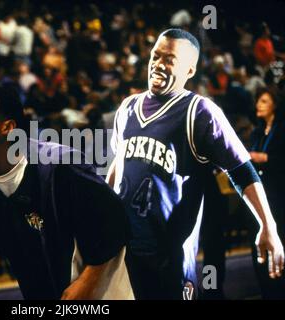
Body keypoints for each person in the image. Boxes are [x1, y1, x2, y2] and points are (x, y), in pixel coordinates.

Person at [106, 29, 284, 300]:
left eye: (170, 59)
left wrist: (267, 224)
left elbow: (242, 171)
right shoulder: (128, 108)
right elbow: (117, 169)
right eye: (156, 55)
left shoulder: (200, 112)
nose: (158, 64)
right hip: (123, 251)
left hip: (168, 260)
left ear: (189, 71)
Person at [0, 85, 133, 300]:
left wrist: (88, 281)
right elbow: (32, 209)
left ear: (7, 127)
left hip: (98, 284)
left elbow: (116, 220)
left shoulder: (60, 164)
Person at [250, 87, 285, 299]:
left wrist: (265, 158)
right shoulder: (256, 131)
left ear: (275, 105)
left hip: (279, 195)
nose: (258, 105)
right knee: (259, 249)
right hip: (260, 197)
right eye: (258, 101)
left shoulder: (281, 129)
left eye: (264, 101)